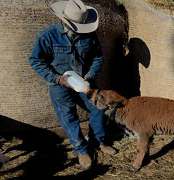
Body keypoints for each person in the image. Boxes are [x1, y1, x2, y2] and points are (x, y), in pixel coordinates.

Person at [29, 0, 116, 170]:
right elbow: (35, 60)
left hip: (84, 81)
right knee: (68, 115)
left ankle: (99, 142)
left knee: (99, 106)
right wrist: (56, 78)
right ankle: (81, 150)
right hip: (60, 84)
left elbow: (98, 58)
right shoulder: (47, 37)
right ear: (65, 21)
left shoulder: (89, 35)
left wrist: (89, 77)